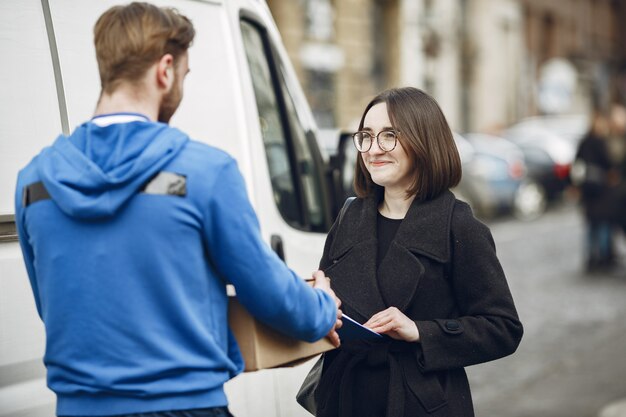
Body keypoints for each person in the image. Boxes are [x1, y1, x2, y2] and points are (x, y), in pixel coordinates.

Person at [14, 3, 341, 417]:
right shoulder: (205, 172)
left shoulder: (34, 183)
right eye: (183, 76)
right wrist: (322, 306)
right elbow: (270, 294)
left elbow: (53, 305)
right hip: (184, 406)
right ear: (165, 70)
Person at [310, 87, 523, 417]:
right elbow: (331, 298)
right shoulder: (349, 216)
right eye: (365, 136)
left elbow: (503, 328)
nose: (373, 149)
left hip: (419, 402)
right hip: (345, 397)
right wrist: (318, 302)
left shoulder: (458, 225)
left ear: (423, 142)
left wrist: (421, 331)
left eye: (389, 136)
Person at [573, 111, 618, 272]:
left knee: (592, 225)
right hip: (600, 191)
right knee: (602, 225)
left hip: (588, 190)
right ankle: (602, 258)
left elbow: (577, 164)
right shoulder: (600, 142)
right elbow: (609, 164)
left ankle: (592, 257)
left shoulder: (584, 142)